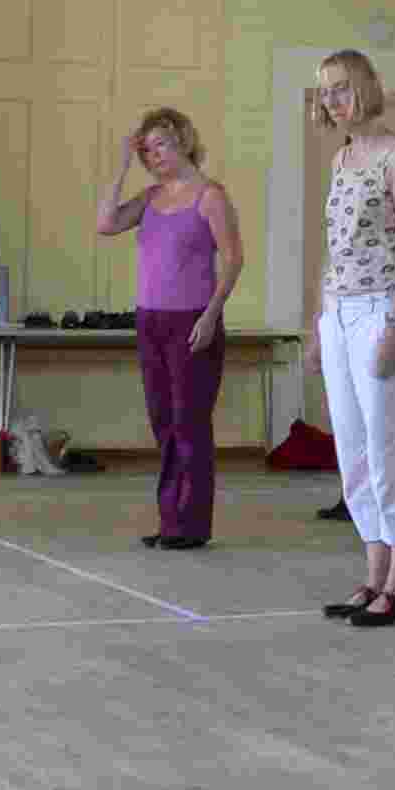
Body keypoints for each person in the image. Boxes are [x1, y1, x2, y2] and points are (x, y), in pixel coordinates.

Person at [308, 50, 395, 627]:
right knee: (353, 451)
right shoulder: (341, 159)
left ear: (365, 87)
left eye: (341, 88)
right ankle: (374, 572)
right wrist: (319, 322)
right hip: (340, 312)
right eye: (325, 91)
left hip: (384, 310)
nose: (333, 100)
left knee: (391, 448)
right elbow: (332, 251)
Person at [96, 106, 244, 551]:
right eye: (145, 148)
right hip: (150, 320)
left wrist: (211, 314)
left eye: (160, 143)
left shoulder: (210, 195)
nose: (153, 154)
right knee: (163, 422)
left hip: (193, 320)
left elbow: (234, 259)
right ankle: (169, 519)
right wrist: (121, 166)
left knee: (189, 422)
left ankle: (191, 524)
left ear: (182, 139)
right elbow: (106, 224)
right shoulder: (150, 197)